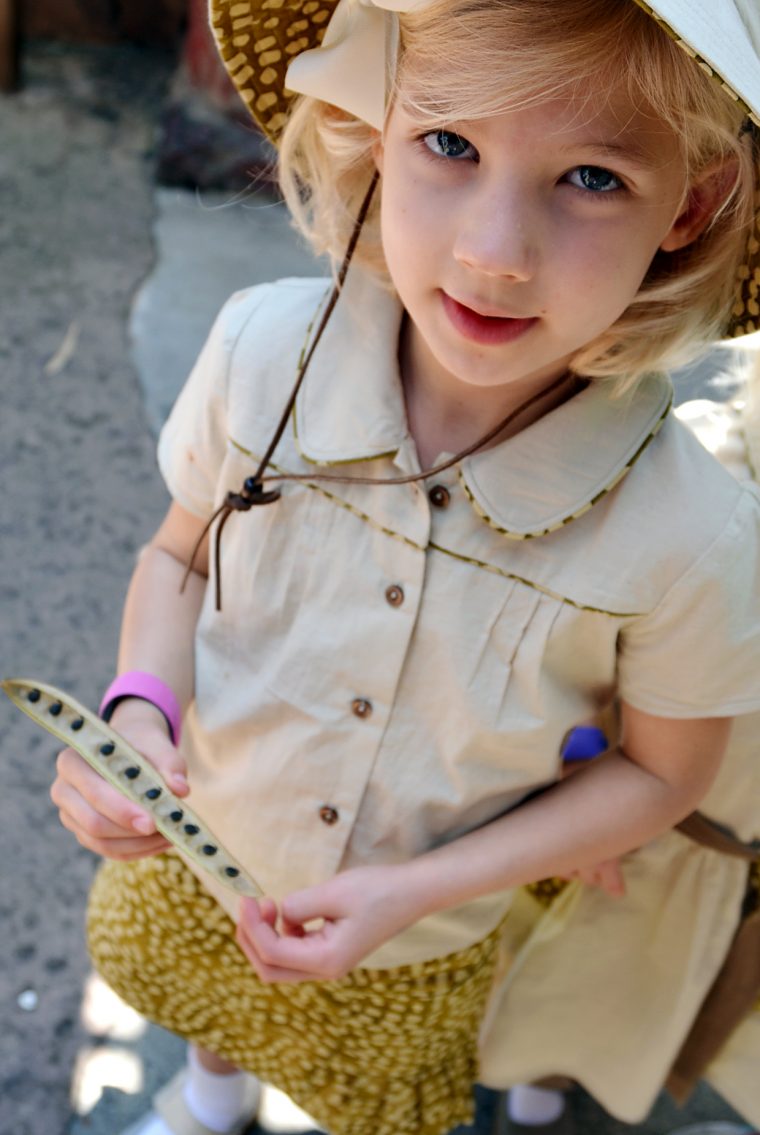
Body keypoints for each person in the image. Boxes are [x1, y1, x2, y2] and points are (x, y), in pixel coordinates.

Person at [49, 1, 760, 1134]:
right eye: (450, 144)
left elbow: (661, 775)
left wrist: (411, 891)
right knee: (207, 996)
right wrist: (140, 706)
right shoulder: (259, 346)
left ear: (697, 202)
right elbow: (179, 555)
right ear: (373, 123)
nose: (493, 250)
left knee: (366, 1090)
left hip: (423, 925)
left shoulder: (695, 532)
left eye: (590, 179)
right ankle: (206, 1093)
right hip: (204, 840)